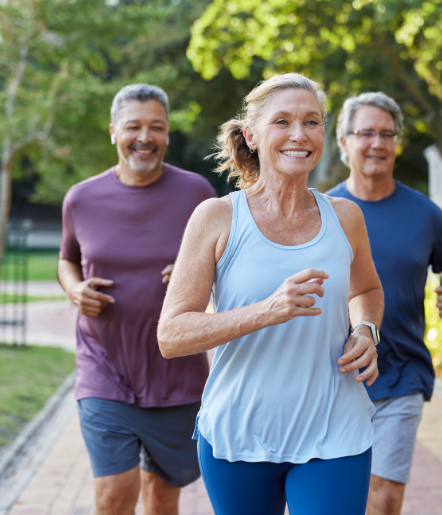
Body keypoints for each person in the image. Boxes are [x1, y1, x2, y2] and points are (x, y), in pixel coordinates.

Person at [157, 73, 382, 515]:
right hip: (239, 432)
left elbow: (368, 289)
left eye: (312, 122)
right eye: (282, 121)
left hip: (334, 426)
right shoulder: (217, 218)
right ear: (252, 136)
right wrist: (267, 311)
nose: (299, 135)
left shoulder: (346, 217)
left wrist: (368, 330)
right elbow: (171, 335)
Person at [58, 84, 216, 515]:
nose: (145, 137)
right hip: (103, 367)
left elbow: (227, 264)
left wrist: (196, 276)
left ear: (167, 135)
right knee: (113, 496)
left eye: (156, 127)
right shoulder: (81, 198)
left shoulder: (197, 194)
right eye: (134, 126)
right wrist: (74, 289)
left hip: (176, 373)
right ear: (113, 131)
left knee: (162, 499)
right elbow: (67, 259)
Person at [326, 92, 442, 515]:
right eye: (365, 133)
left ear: (397, 143)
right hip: (333, 376)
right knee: (337, 498)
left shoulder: (424, 212)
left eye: (387, 134)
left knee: (384, 500)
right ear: (343, 142)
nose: (377, 143)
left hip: (402, 372)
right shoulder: (321, 210)